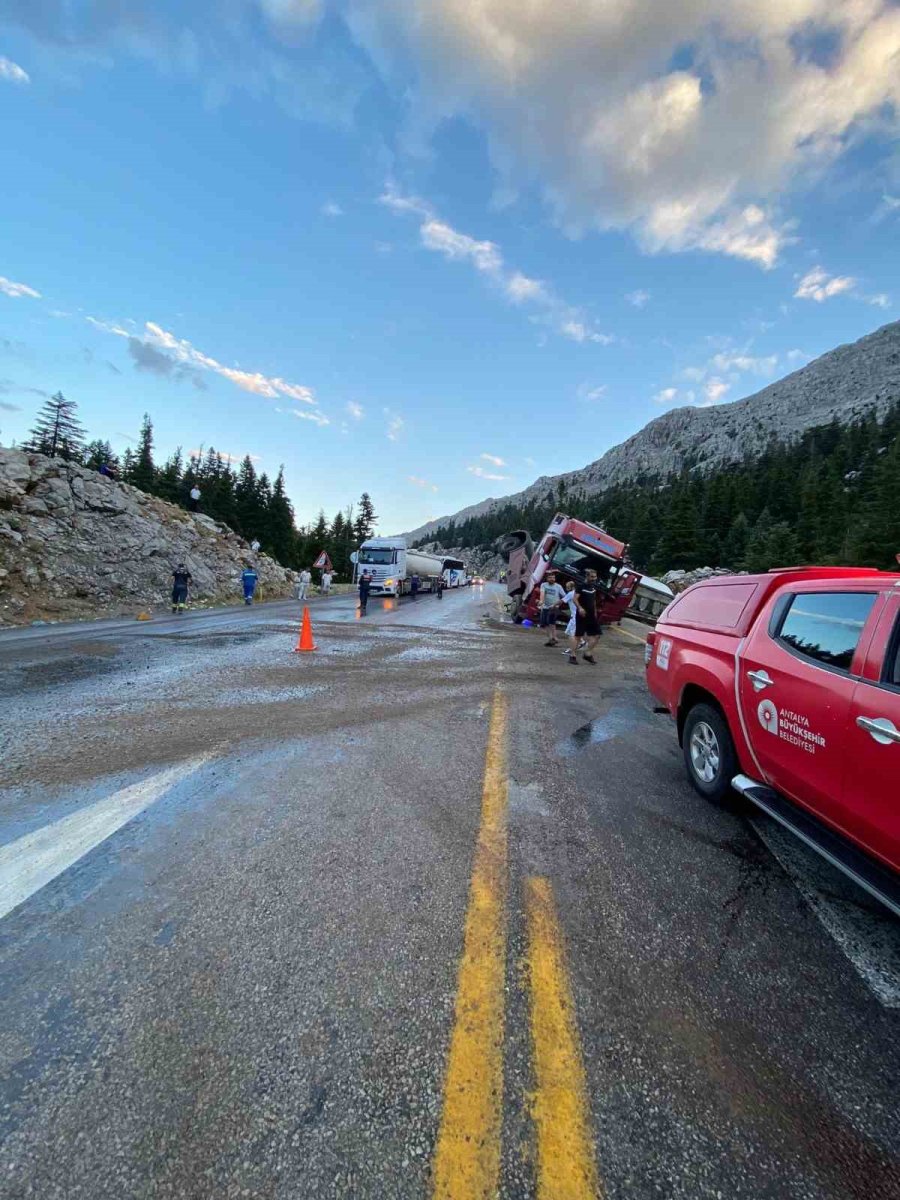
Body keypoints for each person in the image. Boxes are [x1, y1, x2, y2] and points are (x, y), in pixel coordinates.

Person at [569, 569, 601, 665]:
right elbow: (575, 599)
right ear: (587, 576)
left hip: (591, 615)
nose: (593, 579)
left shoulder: (593, 587)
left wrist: (595, 612)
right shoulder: (581, 586)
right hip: (582, 615)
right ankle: (572, 656)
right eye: (591, 577)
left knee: (597, 635)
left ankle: (587, 654)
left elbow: (593, 601)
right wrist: (580, 608)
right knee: (578, 636)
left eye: (595, 577)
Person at [538, 571, 566, 646]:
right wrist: (541, 601)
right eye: (550, 578)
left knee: (551, 622)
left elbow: (564, 596)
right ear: (547, 578)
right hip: (545, 607)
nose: (552, 579)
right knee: (545, 623)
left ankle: (554, 637)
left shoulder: (558, 586)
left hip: (554, 607)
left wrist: (559, 603)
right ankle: (551, 639)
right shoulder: (543, 585)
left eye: (553, 578)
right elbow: (542, 594)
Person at [562, 579, 578, 648]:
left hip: (575, 616)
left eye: (568, 587)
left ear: (572, 587)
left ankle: (572, 648)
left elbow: (562, 601)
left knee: (572, 634)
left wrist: (553, 606)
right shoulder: (576, 593)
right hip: (574, 615)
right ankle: (582, 642)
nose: (567, 589)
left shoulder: (571, 593)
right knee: (569, 632)